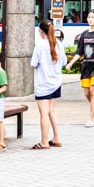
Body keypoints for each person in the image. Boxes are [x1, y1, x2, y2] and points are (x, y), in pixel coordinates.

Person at [30, 21, 65, 149]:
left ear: (41, 31)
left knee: (44, 113)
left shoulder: (39, 46)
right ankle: (56, 138)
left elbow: (33, 64)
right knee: (52, 111)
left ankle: (44, 141)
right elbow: (63, 62)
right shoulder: (59, 44)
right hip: (56, 83)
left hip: (43, 85)